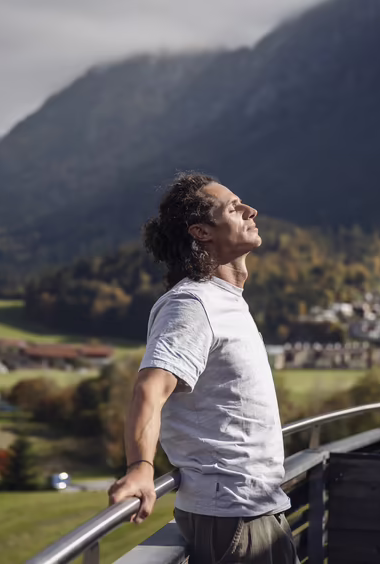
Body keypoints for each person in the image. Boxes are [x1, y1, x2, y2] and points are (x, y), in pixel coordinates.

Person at [108, 173, 298, 563]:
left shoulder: (227, 301)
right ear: (201, 232)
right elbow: (150, 388)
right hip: (233, 519)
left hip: (256, 509)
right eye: (233, 207)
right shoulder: (192, 304)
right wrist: (140, 467)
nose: (250, 210)